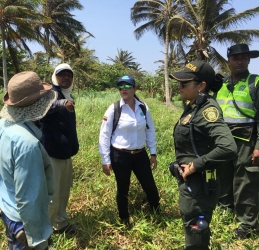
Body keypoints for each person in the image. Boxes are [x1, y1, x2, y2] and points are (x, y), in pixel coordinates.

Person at [169, 61, 237, 249]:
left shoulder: (207, 110)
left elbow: (228, 147)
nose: (179, 87)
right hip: (193, 185)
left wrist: (195, 165)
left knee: (196, 235)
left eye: (184, 84)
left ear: (201, 86)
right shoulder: (194, 106)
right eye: (179, 83)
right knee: (194, 230)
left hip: (199, 186)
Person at [0, 71, 57, 250]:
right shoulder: (28, 144)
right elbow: (29, 199)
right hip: (23, 222)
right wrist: (36, 238)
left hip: (6, 209)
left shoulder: (0, 126)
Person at [99, 74, 160, 228]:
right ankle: (124, 218)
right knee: (123, 187)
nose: (123, 89)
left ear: (134, 88)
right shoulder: (114, 109)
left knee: (150, 185)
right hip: (120, 156)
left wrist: (153, 153)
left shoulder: (143, 108)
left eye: (127, 86)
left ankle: (157, 212)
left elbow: (150, 130)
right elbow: (104, 135)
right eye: (120, 86)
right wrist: (106, 160)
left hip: (140, 155)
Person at [215, 44, 259, 239]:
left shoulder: (255, 82)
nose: (239, 61)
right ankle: (226, 210)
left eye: (243, 58)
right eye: (235, 58)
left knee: (245, 181)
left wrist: (258, 146)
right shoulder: (223, 84)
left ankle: (248, 224)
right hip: (224, 141)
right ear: (229, 61)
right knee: (224, 177)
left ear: (249, 60)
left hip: (247, 142)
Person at [37, 63, 79, 235]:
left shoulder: (67, 95)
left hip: (66, 153)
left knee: (63, 192)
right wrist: (61, 103)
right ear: (55, 76)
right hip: (52, 152)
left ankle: (60, 224)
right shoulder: (51, 94)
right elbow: (45, 108)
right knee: (51, 196)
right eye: (62, 75)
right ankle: (45, 232)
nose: (66, 78)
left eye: (69, 75)